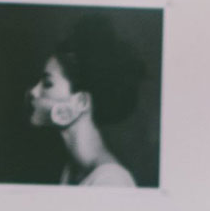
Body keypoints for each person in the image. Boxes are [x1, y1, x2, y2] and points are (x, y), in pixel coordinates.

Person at [26, 11, 146, 187]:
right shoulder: (72, 171)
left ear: (81, 102)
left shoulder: (111, 182)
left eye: (47, 84)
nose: (34, 92)